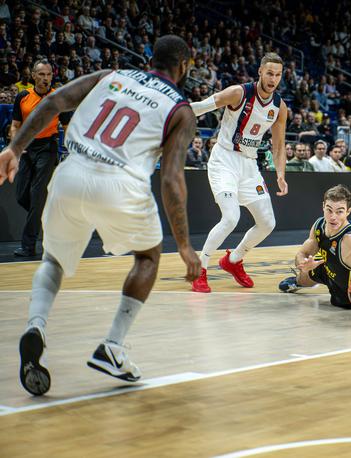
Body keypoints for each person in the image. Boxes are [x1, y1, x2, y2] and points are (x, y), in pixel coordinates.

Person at [0, 35, 201, 395]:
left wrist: (15, 147)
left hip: (71, 173)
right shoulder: (181, 109)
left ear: (150, 58)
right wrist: (184, 245)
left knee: (54, 259)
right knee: (147, 256)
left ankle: (36, 325)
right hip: (121, 185)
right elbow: (171, 179)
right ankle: (113, 345)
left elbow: (54, 101)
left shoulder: (112, 74)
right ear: (185, 65)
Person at [189, 52, 288, 293]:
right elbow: (201, 107)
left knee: (267, 223)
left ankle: (233, 261)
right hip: (224, 160)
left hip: (248, 165)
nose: (273, 78)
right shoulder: (239, 92)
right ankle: (199, 269)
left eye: (277, 74)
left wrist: (280, 174)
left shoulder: (279, 107)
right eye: (269, 73)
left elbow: (278, 145)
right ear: (260, 72)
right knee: (231, 218)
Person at [278, 184, 351, 309]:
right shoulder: (319, 225)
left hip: (344, 286)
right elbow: (302, 253)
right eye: (329, 210)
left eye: (339, 211)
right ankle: (298, 282)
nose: (333, 217)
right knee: (304, 275)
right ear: (323, 207)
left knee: (343, 306)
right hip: (325, 267)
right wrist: (304, 265)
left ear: (348, 211)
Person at [11, 60, 71, 257]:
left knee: (37, 196)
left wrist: (69, 149)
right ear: (34, 76)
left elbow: (66, 126)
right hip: (27, 148)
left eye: (48, 75)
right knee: (21, 196)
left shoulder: (57, 97)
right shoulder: (23, 96)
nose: (46, 78)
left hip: (48, 148)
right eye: (42, 75)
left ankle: (28, 246)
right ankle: (50, 221)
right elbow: (15, 125)